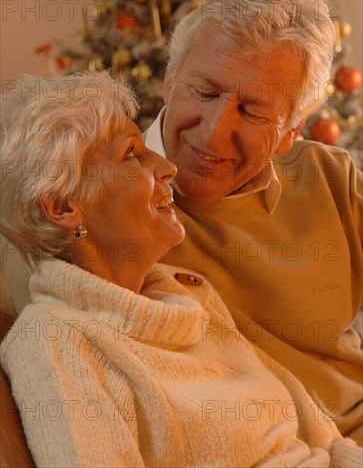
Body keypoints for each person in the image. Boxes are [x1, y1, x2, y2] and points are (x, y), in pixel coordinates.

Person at [1, 71, 362, 467]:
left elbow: (316, 430)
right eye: (131, 154)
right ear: (63, 207)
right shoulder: (57, 343)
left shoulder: (184, 293)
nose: (166, 166)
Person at [144, 0, 363, 442]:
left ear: (293, 129)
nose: (214, 132)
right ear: (169, 78)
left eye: (253, 111)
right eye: (205, 91)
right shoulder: (99, 195)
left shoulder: (331, 180)